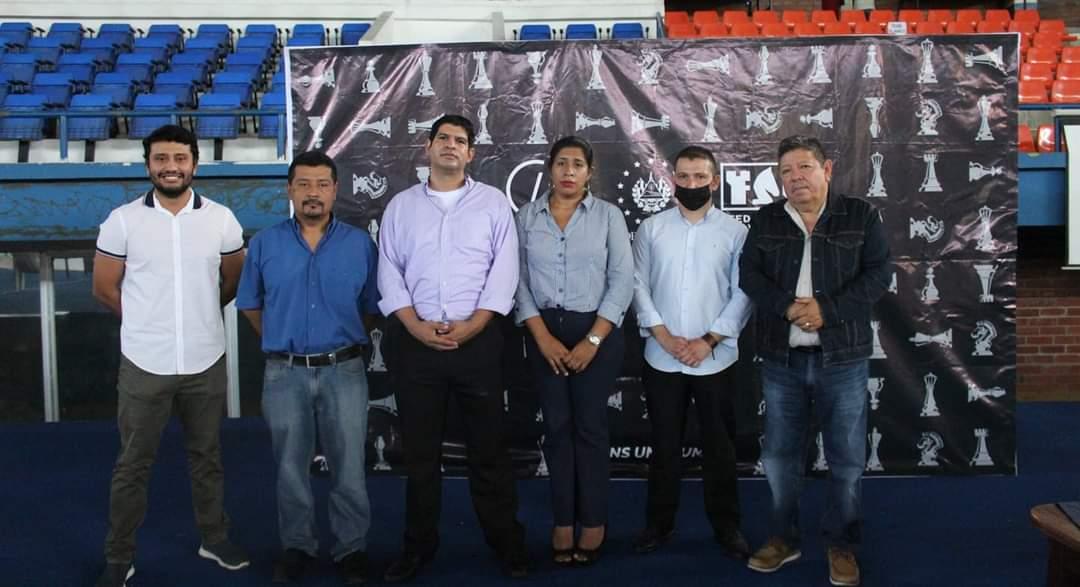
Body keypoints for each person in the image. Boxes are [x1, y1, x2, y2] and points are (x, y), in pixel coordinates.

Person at [92, 124, 248, 587]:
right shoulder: (122, 221)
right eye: (161, 158)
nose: (171, 167)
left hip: (205, 360)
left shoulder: (221, 219)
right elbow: (104, 288)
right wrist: (144, 321)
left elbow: (233, 280)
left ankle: (214, 538)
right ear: (148, 166)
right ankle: (119, 556)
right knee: (132, 464)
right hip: (145, 363)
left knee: (207, 456)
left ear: (194, 164)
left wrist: (198, 316)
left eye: (180, 158)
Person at [376, 114, 528, 582]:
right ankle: (417, 548)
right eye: (442, 138)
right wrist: (416, 327)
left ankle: (507, 545)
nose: (450, 145)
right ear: (428, 147)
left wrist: (473, 326)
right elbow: (389, 271)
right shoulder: (401, 207)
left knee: (489, 453)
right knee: (421, 457)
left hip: (478, 344)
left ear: (471, 153)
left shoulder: (493, 205)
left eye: (460, 140)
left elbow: (504, 273)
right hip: (417, 344)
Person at [740, 135, 891, 587]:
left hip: (842, 359)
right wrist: (788, 306)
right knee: (779, 457)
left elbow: (879, 274)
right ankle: (783, 538)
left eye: (804, 167)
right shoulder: (766, 219)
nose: (795, 177)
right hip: (781, 360)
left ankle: (841, 544)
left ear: (827, 170)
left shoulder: (861, 216)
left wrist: (828, 309)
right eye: (786, 171)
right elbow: (749, 275)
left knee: (846, 459)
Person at [235, 150, 378, 585]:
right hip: (285, 373)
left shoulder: (360, 245)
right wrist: (281, 338)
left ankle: (351, 549)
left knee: (349, 464)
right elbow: (250, 304)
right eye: (303, 184)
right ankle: (297, 546)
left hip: (343, 369)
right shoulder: (265, 244)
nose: (312, 193)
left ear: (335, 190)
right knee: (289, 465)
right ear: (289, 190)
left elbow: (370, 307)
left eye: (321, 184)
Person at [514, 136, 633, 566]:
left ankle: (594, 520)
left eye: (577, 164)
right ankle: (563, 519)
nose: (568, 171)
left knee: (590, 428)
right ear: (549, 168)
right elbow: (517, 280)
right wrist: (542, 337)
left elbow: (622, 280)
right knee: (557, 429)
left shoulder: (608, 216)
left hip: (596, 333)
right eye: (561, 163)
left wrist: (593, 341)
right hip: (543, 333)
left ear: (589, 172)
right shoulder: (527, 217)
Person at [630, 146, 753, 559]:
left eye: (700, 177)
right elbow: (637, 284)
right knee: (664, 446)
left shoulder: (735, 232)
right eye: (683, 176)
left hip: (715, 358)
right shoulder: (651, 229)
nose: (692, 184)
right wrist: (663, 336)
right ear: (673, 181)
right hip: (661, 356)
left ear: (714, 181)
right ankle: (658, 524)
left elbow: (743, 292)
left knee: (720, 447)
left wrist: (709, 341)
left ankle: (727, 526)